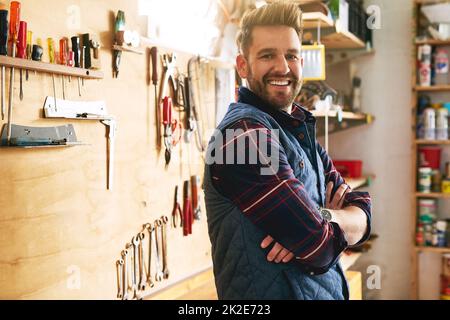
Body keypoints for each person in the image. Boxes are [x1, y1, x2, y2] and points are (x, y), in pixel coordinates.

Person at [203, 1, 371, 300]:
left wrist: (323, 216)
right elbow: (319, 247)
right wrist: (323, 227)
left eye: (291, 55)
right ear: (243, 65)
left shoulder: (297, 131)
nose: (282, 67)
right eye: (268, 55)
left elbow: (364, 212)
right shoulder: (242, 136)